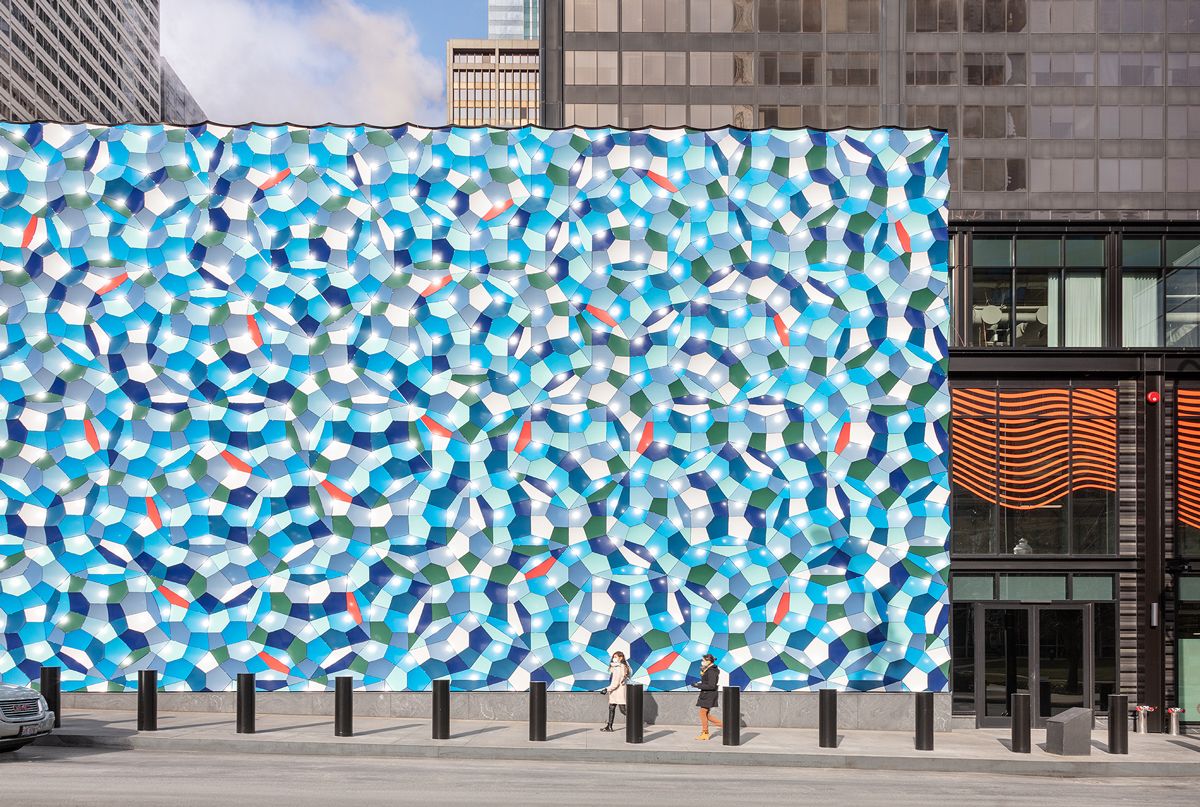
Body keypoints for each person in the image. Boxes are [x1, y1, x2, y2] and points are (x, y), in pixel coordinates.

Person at [691, 653, 722, 740]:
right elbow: (707, 683)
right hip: (706, 694)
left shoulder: (711, 671)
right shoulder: (708, 670)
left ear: (708, 661)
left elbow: (711, 685)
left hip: (709, 694)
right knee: (706, 714)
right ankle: (726, 726)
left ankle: (705, 733)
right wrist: (699, 683)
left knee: (702, 712)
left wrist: (698, 685)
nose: (702, 662)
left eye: (703, 660)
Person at [600, 651, 631, 732]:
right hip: (618, 691)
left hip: (617, 692)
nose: (614, 658)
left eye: (615, 657)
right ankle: (609, 726)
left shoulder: (618, 668)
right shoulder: (623, 666)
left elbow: (615, 683)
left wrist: (606, 689)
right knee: (611, 707)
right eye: (613, 657)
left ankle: (637, 721)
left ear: (621, 658)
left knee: (623, 710)